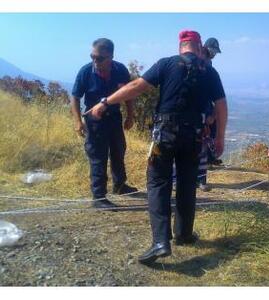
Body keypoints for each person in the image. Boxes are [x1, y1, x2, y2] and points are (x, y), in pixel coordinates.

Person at [87, 30, 228, 264]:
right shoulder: (209, 71)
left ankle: (161, 242)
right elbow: (222, 107)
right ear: (199, 44)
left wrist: (105, 101)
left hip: (165, 135)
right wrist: (220, 137)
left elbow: (136, 87)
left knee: (158, 184)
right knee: (187, 183)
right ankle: (183, 234)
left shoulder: (167, 63)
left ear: (180, 45)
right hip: (194, 137)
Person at [70, 38, 138, 210]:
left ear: (111, 57)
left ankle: (120, 186)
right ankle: (98, 197)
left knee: (118, 151)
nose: (95, 61)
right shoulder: (85, 71)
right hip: (95, 122)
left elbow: (128, 94)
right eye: (92, 56)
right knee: (98, 156)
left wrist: (130, 116)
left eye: (99, 58)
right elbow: (75, 97)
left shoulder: (121, 70)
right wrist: (77, 121)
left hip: (115, 118)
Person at [196, 37, 223, 191]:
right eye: (214, 51)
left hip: (206, 109)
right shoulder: (198, 60)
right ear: (207, 48)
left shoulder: (209, 64)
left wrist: (212, 112)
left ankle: (201, 179)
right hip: (196, 110)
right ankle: (185, 179)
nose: (214, 54)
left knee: (204, 145)